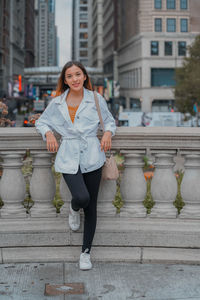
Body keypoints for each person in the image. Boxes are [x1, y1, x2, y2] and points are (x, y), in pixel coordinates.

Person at [35, 61, 116, 270]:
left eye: (78, 74)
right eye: (69, 76)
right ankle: (73, 208)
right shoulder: (58, 102)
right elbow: (41, 121)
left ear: (85, 76)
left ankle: (85, 253)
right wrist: (49, 133)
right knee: (81, 198)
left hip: (92, 155)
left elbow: (109, 121)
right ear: (65, 80)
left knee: (91, 208)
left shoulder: (96, 99)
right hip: (68, 155)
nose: (75, 79)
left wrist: (107, 132)